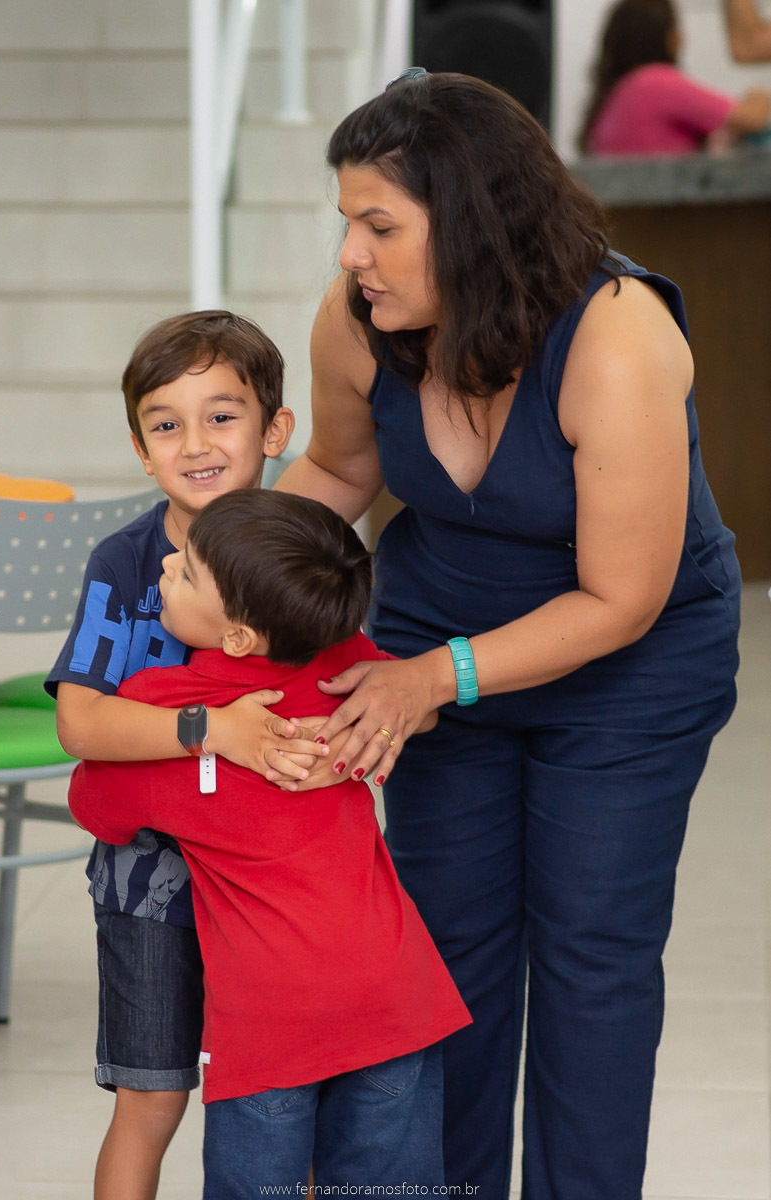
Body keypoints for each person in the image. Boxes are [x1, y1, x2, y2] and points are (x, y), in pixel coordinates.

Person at [275, 71, 742, 1198]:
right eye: (348, 224)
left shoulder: (617, 338)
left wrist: (432, 679)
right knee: (449, 963)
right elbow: (341, 467)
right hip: (437, 641)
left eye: (379, 226)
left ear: (474, 221)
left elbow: (617, 600)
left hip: (631, 671)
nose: (352, 255)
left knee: (590, 959)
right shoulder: (360, 322)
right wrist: (221, 577)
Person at [68, 488, 472, 1199]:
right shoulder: (344, 664)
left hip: (270, 1027)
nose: (165, 566)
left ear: (236, 639)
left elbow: (94, 804)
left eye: (187, 573)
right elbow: (413, 708)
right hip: (396, 998)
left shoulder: (166, 707)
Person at [46, 312, 329, 1200]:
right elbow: (82, 726)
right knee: (151, 1099)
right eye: (166, 424)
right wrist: (210, 729)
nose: (195, 443)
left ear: (274, 430)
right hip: (149, 889)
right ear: (140, 449)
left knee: (296, 1100)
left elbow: (359, 691)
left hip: (283, 894)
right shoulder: (124, 562)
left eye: (222, 415)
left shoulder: (304, 553)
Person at [579, 0, 770, 154]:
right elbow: (751, 117)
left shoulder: (615, 96)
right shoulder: (654, 83)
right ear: (670, 38)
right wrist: (758, 96)